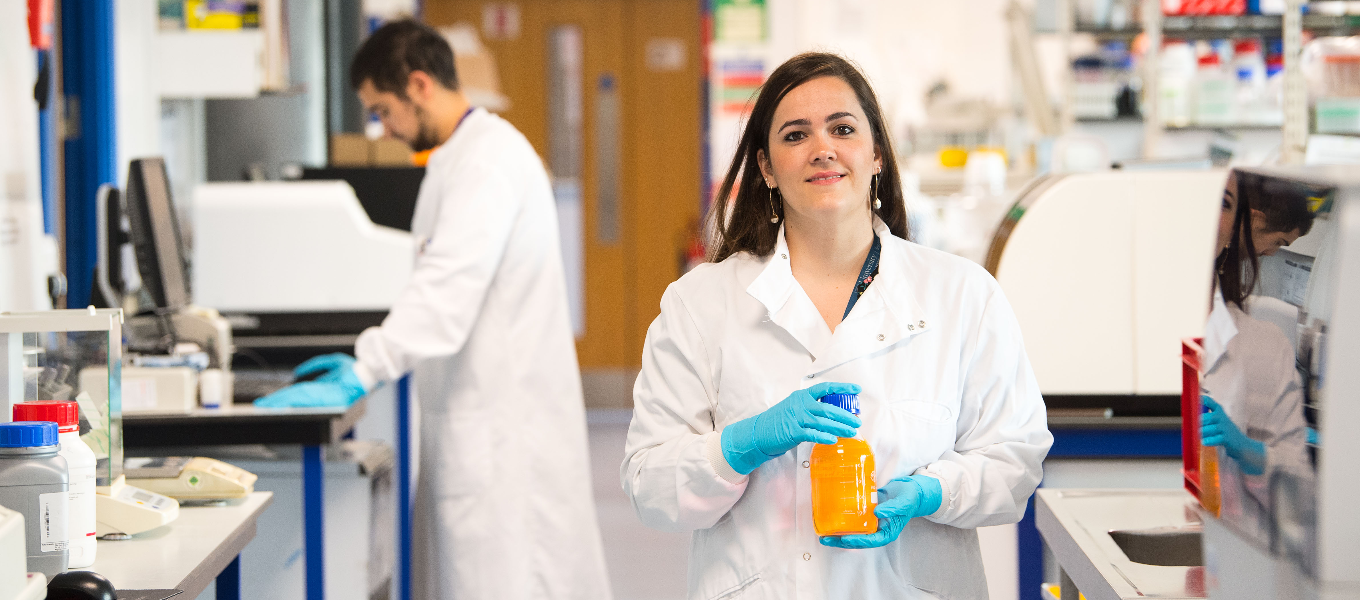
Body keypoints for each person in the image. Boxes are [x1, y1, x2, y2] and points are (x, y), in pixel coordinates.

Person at [620, 52, 1052, 600]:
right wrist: (739, 446)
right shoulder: (700, 305)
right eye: (796, 135)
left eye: (842, 129)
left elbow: (1014, 460)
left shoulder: (962, 294)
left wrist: (930, 492)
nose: (822, 148)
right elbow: (650, 486)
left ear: (876, 155)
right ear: (767, 168)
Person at [255, 20, 611, 600]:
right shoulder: (458, 159)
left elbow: (447, 290)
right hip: (480, 421)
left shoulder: (486, 165)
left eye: (383, 109)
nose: (384, 129)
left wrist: (364, 366)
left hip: (503, 435)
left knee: (505, 580)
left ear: (419, 85)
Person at [1200, 171, 1310, 543]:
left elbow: (1300, 492)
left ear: (1235, 225)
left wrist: (1252, 454)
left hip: (1232, 552)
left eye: (1224, 203)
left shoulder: (1264, 346)